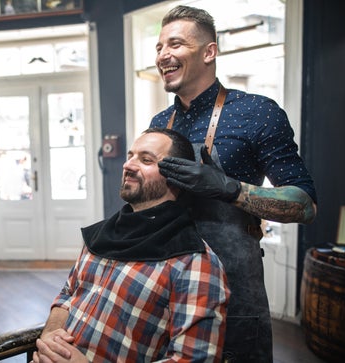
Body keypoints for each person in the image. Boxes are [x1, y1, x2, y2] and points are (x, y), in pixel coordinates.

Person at [151, 5, 318, 362]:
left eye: (175, 44)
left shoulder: (257, 112)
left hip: (234, 289)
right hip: (171, 285)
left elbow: (305, 204)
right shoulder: (160, 123)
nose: (163, 55)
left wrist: (230, 189)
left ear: (209, 51)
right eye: (159, 47)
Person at [32, 128, 230, 363]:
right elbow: (68, 295)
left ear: (177, 176)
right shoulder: (100, 236)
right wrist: (50, 340)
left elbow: (194, 359)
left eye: (146, 160)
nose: (128, 165)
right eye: (130, 156)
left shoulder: (195, 263)